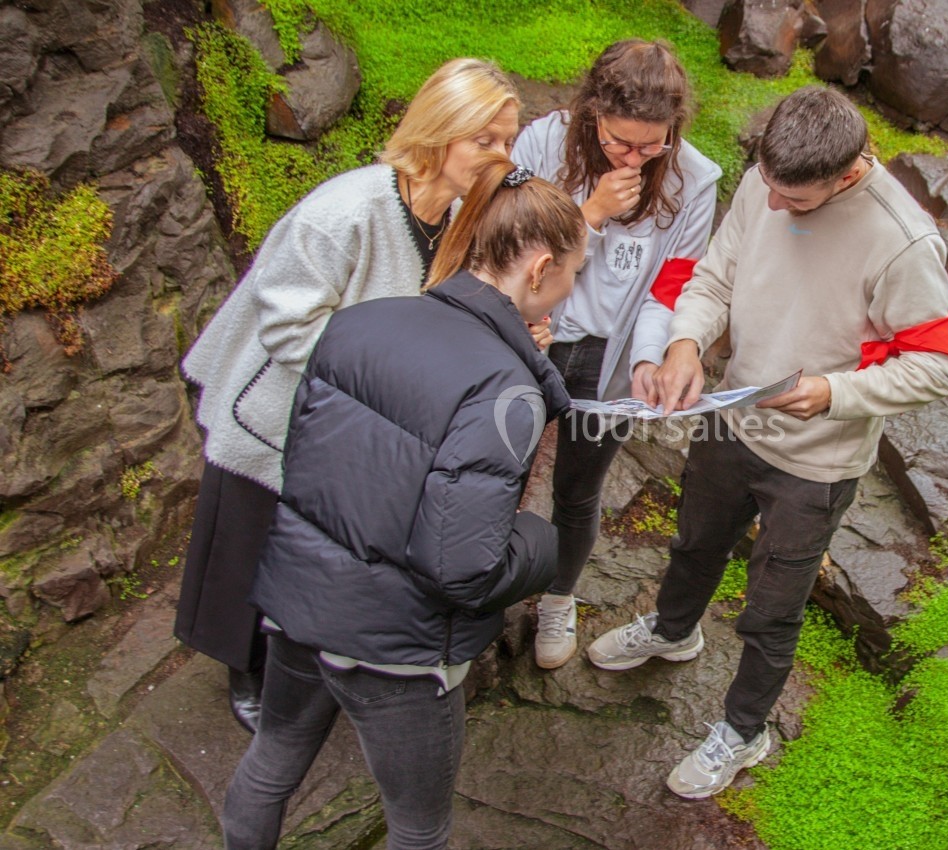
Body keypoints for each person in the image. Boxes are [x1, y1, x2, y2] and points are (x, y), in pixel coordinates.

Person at [586, 86, 948, 798]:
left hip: (816, 462)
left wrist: (835, 393)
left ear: (849, 174)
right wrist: (688, 343)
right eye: (768, 185)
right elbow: (716, 276)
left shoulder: (903, 241)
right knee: (694, 544)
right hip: (730, 419)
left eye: (795, 199)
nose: (775, 205)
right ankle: (673, 631)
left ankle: (744, 728)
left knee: (772, 607)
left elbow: (941, 364)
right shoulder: (769, 181)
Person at [220, 153, 585, 850]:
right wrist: (542, 548)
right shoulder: (506, 391)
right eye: (573, 272)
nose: (571, 289)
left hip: (300, 606)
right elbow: (463, 566)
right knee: (419, 829)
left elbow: (310, 465)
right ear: (538, 269)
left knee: (268, 767)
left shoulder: (360, 321)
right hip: (398, 653)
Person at [174, 59, 525, 732]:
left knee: (307, 545)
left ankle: (296, 652)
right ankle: (241, 665)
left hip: (346, 418)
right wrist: (396, 381)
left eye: (507, 141)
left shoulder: (452, 217)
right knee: (249, 539)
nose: (501, 156)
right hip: (274, 406)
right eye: (486, 139)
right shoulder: (343, 213)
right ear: (439, 133)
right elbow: (288, 330)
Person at [511, 39, 722, 669]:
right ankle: (478, 587)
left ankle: (557, 596)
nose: (636, 156)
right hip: (534, 335)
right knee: (499, 471)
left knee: (578, 489)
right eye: (619, 142)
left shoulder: (694, 177)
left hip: (614, 351)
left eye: (651, 144)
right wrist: (592, 212)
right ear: (591, 113)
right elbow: (513, 248)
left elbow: (670, 286)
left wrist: (648, 359)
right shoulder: (541, 146)